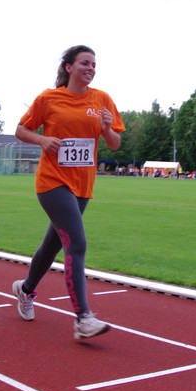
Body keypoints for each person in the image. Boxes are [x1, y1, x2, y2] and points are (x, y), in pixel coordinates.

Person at [11, 45, 125, 340]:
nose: (91, 68)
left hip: (83, 185)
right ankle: (83, 318)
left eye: (94, 64)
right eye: (85, 63)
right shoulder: (48, 98)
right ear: (69, 67)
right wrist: (42, 140)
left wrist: (107, 128)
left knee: (52, 246)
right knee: (76, 242)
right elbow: (21, 130)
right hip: (52, 182)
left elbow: (115, 144)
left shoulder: (102, 99)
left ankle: (25, 290)